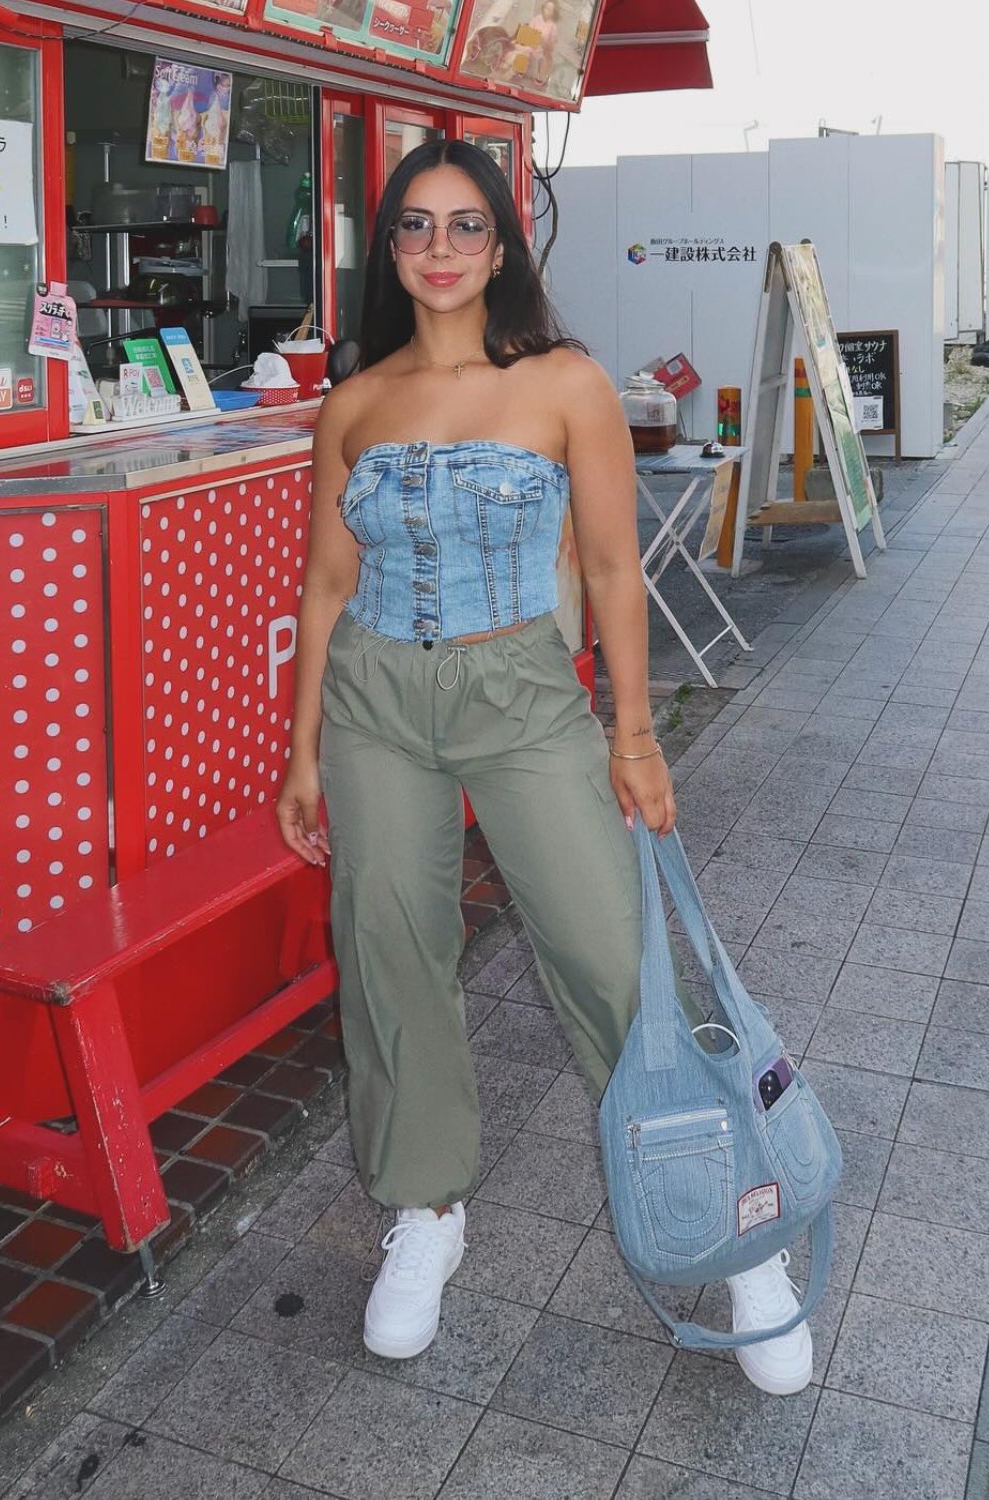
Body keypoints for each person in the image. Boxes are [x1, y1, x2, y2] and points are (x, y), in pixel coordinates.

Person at [276, 139, 812, 1396]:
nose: (443, 249)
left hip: (522, 692)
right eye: (417, 227)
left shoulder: (564, 382)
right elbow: (325, 582)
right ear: (390, 248)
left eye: (468, 226)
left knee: (608, 951)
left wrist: (632, 735)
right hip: (372, 705)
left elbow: (618, 571)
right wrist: (303, 751)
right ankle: (425, 1206)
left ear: (504, 244)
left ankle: (739, 1233)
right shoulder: (354, 402)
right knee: (391, 952)